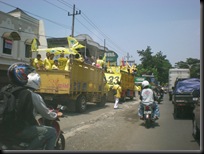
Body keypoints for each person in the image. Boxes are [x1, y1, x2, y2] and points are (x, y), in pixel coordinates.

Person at [6, 62, 62, 150]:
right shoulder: (30, 94)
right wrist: (55, 115)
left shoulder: (6, 90)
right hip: (18, 129)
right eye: (25, 75)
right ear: (19, 76)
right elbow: (46, 113)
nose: (27, 77)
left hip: (5, 128)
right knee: (52, 132)